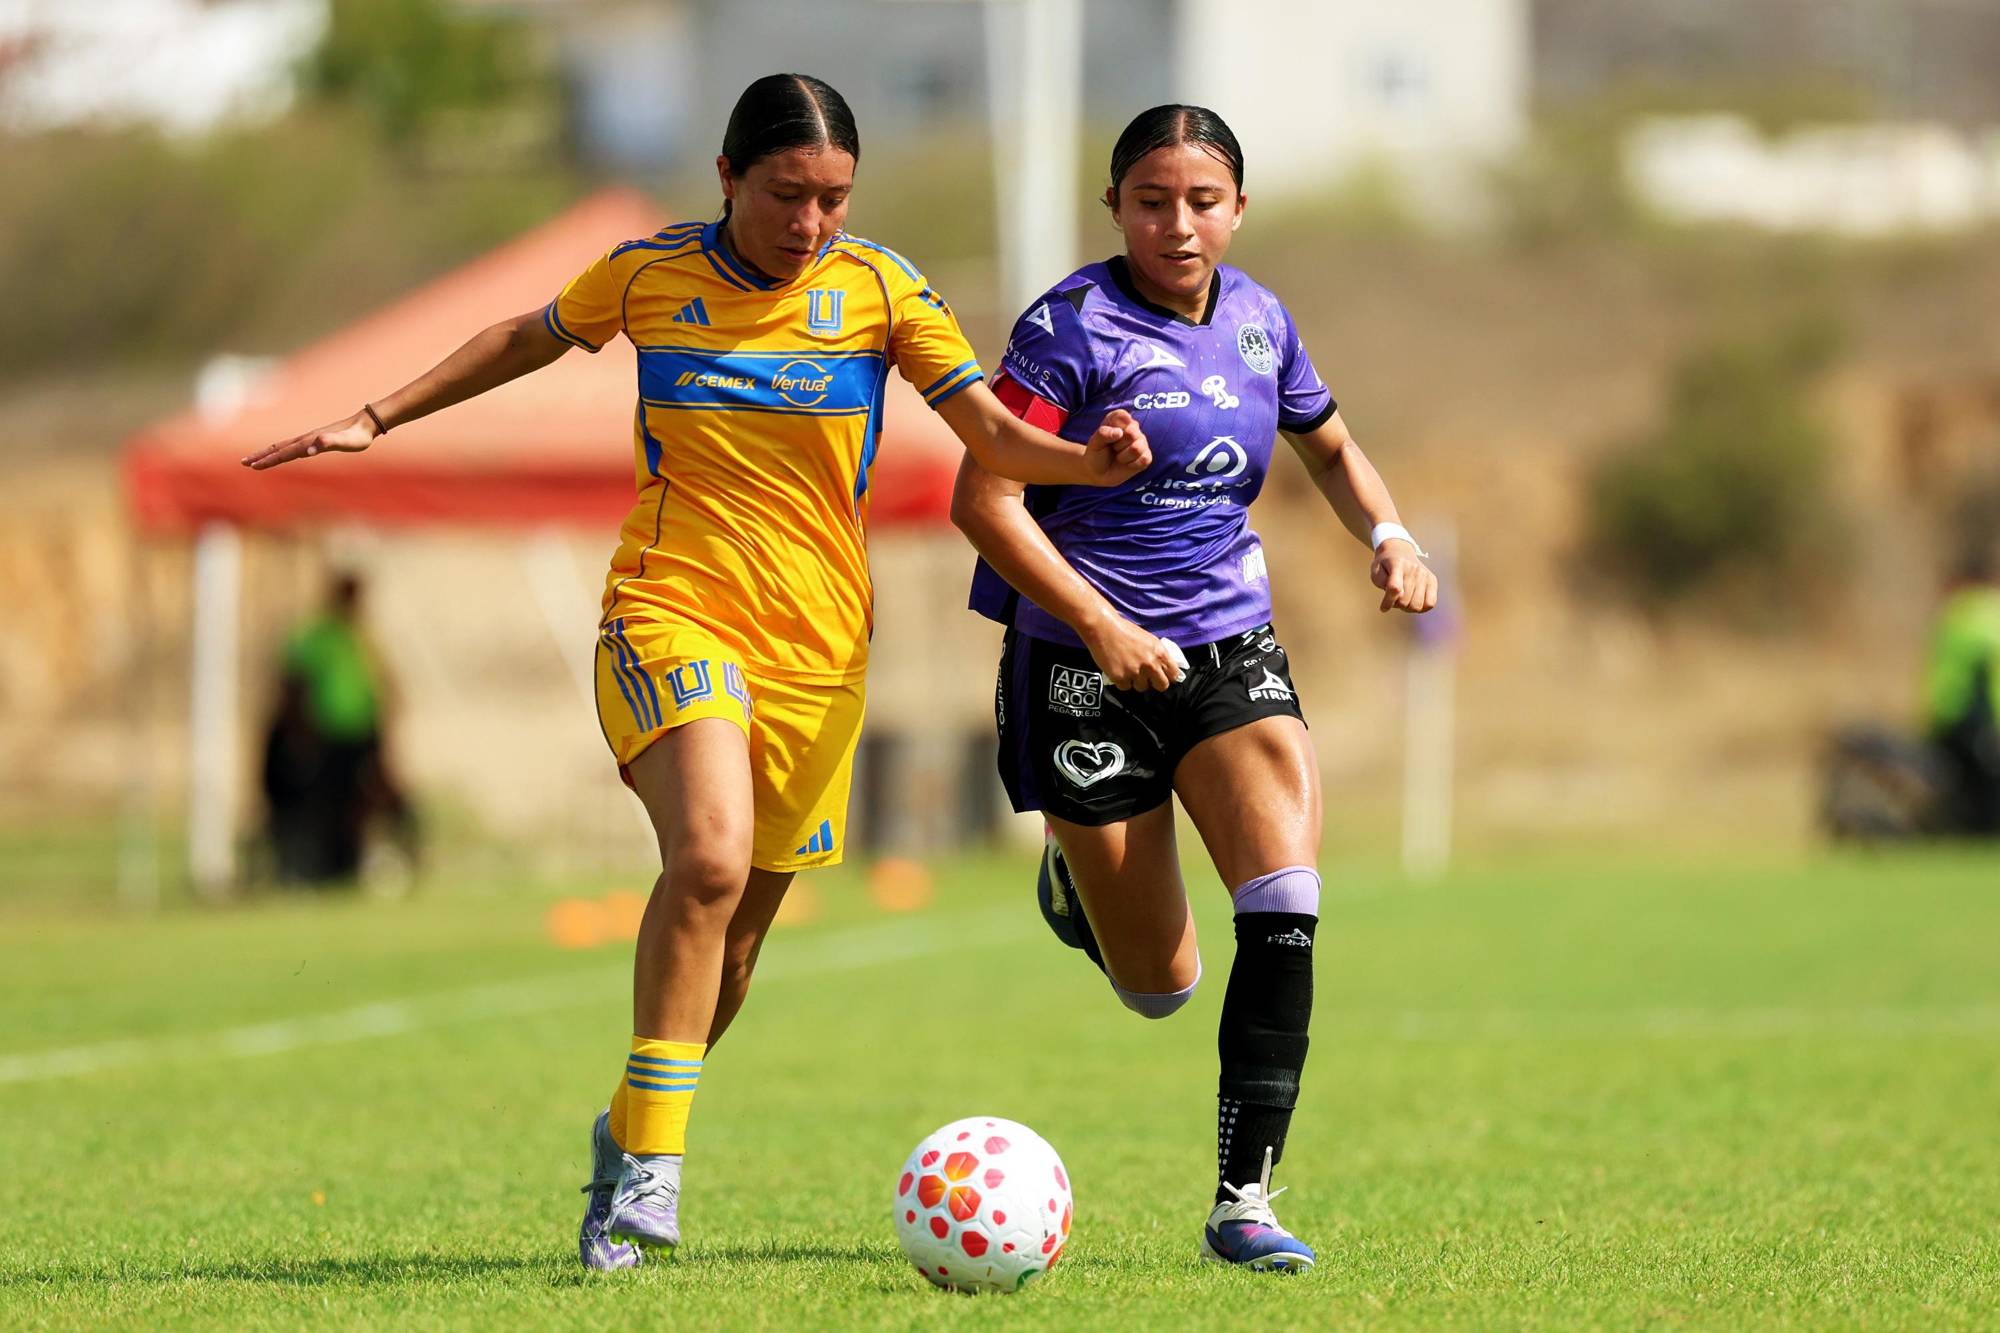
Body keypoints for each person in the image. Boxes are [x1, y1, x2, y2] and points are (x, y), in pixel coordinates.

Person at [243, 73, 1151, 1270]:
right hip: (673, 611)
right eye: (787, 193)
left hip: (819, 652)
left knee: (729, 952)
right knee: (708, 856)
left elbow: (985, 431)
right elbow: (526, 334)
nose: (811, 221)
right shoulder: (649, 275)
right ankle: (657, 1176)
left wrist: (1079, 462)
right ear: (728, 177)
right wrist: (380, 414)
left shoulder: (878, 289)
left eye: (833, 198)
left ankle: (625, 1140)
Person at [952, 104, 1437, 1273]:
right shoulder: (1066, 329)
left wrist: (1386, 531)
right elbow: (981, 500)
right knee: (1159, 985)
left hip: (1228, 649)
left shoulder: (1263, 320)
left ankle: (1242, 1197)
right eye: (1152, 201)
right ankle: (1079, 882)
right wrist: (1096, 622)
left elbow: (1325, 441)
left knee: (1285, 905)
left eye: (1201, 200)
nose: (1177, 224)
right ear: (1114, 205)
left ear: (1236, 207)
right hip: (1078, 668)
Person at [259, 572, 414, 884]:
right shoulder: (315, 636)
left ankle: (351, 864)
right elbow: (294, 685)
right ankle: (321, 868)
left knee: (361, 804)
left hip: (361, 735)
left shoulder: (360, 637)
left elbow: (381, 684)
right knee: (326, 804)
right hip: (327, 736)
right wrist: (301, 732)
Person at [1925, 549, 2000, 834]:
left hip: (1945, 716)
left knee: (1962, 787)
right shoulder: (1990, 613)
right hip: (1980, 718)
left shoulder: (1950, 614)